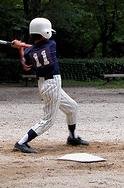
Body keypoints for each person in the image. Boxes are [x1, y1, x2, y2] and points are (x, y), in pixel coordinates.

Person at [11, 17, 89, 153]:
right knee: (48, 120)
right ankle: (21, 143)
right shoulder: (51, 44)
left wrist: (20, 48)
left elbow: (26, 66)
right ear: (45, 33)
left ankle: (73, 137)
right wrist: (22, 45)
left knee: (72, 108)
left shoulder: (29, 51)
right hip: (52, 84)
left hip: (46, 84)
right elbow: (38, 48)